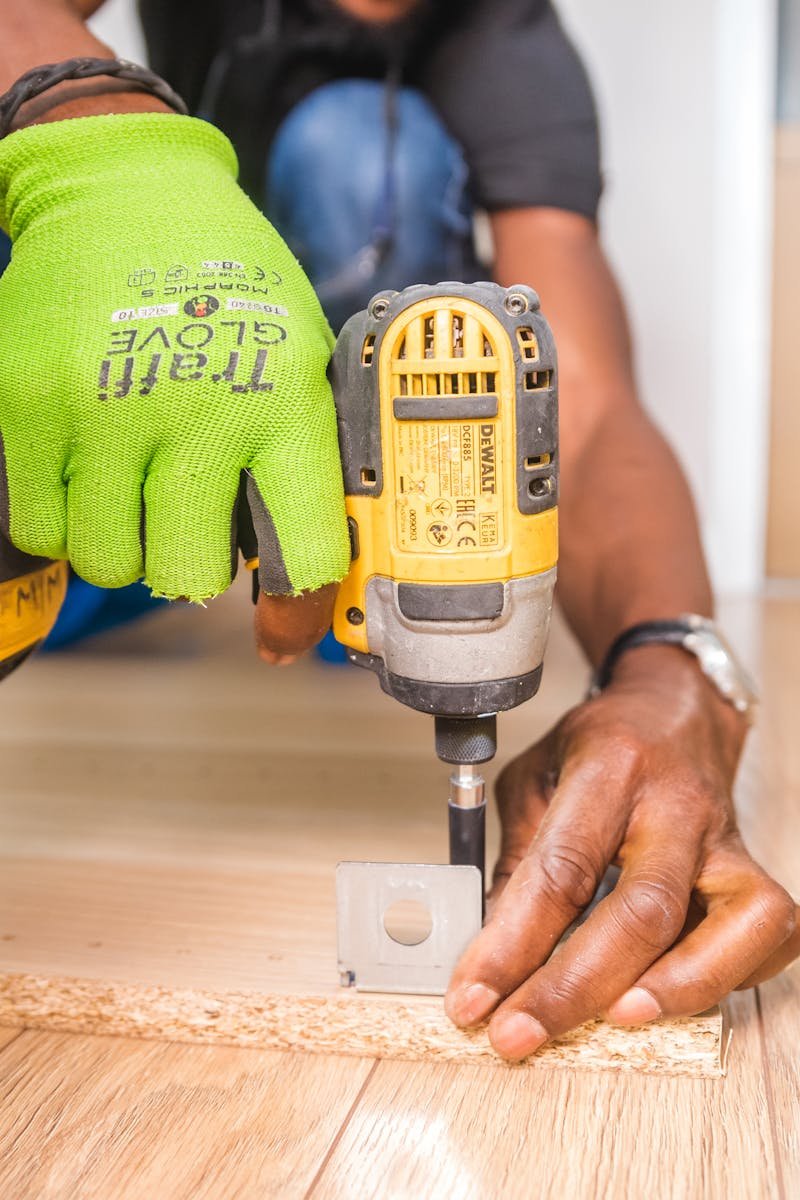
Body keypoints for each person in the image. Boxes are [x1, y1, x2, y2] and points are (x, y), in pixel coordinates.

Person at [0, 0, 797, 1063]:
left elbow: (588, 408)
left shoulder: (509, 45)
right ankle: (85, 535)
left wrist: (669, 668)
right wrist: (102, 141)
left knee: (358, 152)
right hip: (139, 393)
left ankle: (360, 604)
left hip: (338, 490)